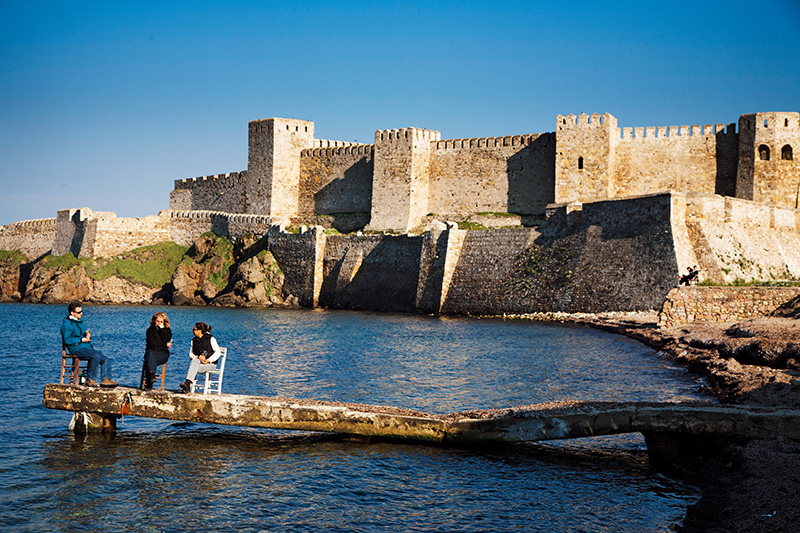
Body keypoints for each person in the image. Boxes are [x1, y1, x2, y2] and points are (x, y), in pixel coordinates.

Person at [60, 301, 118, 387]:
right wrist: (81, 339)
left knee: (106, 359)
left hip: (86, 347)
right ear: (72, 313)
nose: (81, 314)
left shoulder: (80, 322)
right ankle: (90, 379)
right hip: (76, 348)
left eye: (81, 311)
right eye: (79, 312)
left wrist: (87, 336)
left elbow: (82, 334)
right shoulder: (67, 324)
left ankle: (106, 379)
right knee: (95, 356)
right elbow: (67, 340)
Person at [179, 322, 221, 393]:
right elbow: (190, 355)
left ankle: (187, 384)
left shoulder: (210, 338)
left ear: (199, 330)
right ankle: (187, 384)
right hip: (198, 364)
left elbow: (218, 352)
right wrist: (198, 357)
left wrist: (208, 360)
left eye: (194, 329)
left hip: (210, 365)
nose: (193, 331)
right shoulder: (194, 341)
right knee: (194, 361)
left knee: (193, 367)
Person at [142, 312, 173, 390]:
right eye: (157, 321)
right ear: (154, 321)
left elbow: (166, 339)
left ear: (164, 322)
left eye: (161, 322)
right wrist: (165, 344)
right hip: (151, 351)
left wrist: (162, 329)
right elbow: (152, 343)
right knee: (150, 354)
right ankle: (151, 376)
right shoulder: (150, 330)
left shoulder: (167, 330)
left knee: (151, 359)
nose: (159, 323)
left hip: (162, 353)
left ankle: (150, 379)